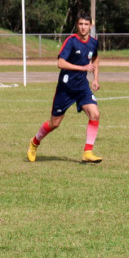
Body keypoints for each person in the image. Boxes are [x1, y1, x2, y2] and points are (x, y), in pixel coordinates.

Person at [26, 11, 102, 164]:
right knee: (54, 123)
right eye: (80, 24)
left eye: (86, 24)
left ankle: (88, 152)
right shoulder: (71, 41)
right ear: (77, 25)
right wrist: (82, 68)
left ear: (90, 26)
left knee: (95, 114)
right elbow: (60, 63)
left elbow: (95, 59)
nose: (83, 27)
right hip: (66, 89)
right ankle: (34, 142)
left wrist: (95, 79)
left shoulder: (94, 43)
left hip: (82, 88)